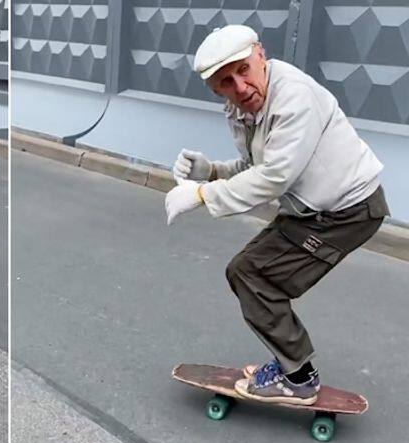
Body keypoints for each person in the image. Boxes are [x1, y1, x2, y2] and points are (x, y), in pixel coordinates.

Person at [164, 25, 389, 405]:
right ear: (216, 89)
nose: (241, 87)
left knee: (254, 275)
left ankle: (298, 377)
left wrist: (203, 194)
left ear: (260, 55)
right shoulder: (242, 107)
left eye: (244, 70)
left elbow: (274, 176)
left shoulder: (294, 97)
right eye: (226, 82)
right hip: (312, 210)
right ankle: (290, 362)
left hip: (348, 212)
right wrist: (212, 171)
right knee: (249, 271)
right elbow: (258, 163)